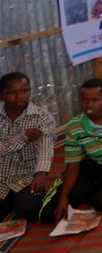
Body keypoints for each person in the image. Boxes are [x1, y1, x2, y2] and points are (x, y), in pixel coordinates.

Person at [42, 79, 102, 223]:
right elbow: (73, 165)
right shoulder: (75, 126)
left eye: (94, 100)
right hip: (94, 166)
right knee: (48, 214)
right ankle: (67, 186)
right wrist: (64, 197)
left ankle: (98, 190)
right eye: (84, 100)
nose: (88, 105)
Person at [0, 72, 55, 221]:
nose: (20, 96)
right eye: (12, 92)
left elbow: (46, 145)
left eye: (25, 91)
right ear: (2, 95)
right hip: (1, 177)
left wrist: (41, 172)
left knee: (29, 208)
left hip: (27, 177)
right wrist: (22, 137)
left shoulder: (41, 117)